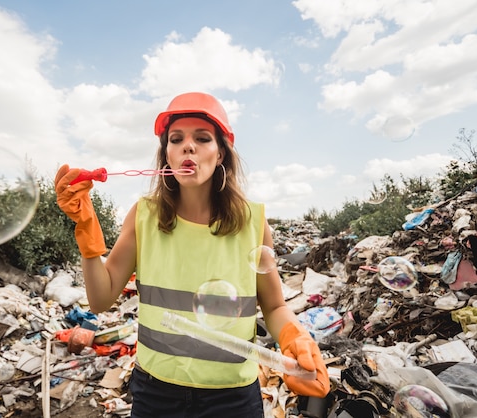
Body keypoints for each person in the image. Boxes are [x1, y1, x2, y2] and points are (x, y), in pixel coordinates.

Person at [55, 92, 330, 417]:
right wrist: (88, 233)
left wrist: (294, 336)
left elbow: (273, 306)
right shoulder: (144, 216)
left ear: (221, 154)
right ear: (166, 154)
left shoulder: (252, 221)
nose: (189, 146)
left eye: (202, 138)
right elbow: (100, 300)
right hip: (156, 394)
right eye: (176, 139)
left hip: (233, 399)